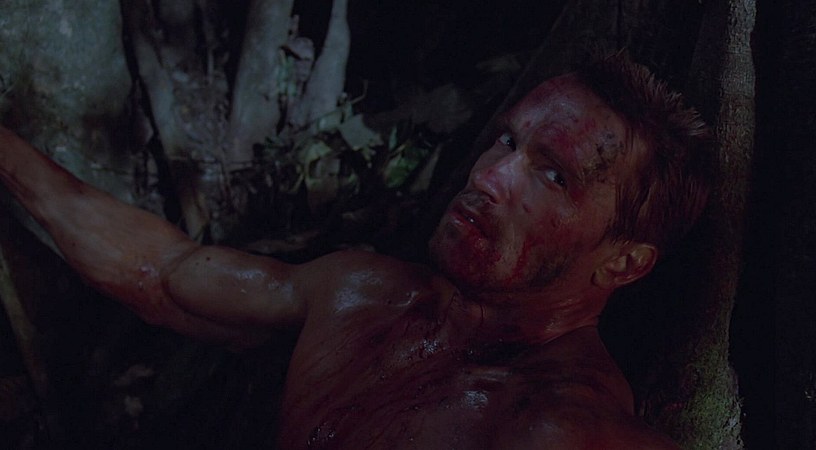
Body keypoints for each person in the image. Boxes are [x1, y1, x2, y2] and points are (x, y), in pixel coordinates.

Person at [0, 54, 712, 449]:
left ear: (624, 262)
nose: (489, 177)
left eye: (552, 176)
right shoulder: (362, 294)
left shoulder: (561, 426)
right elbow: (165, 275)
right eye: (507, 141)